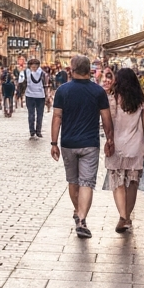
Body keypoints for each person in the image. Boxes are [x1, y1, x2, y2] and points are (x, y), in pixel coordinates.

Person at [50, 55, 115, 239]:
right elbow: (106, 119)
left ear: (71, 69)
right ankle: (82, 219)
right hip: (90, 144)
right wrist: (110, 140)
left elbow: (57, 117)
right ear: (90, 71)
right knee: (86, 183)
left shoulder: (63, 90)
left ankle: (78, 212)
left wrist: (54, 143)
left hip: (68, 143)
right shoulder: (98, 92)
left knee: (73, 181)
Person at [105, 67, 144, 233]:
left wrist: (108, 139)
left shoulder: (112, 98)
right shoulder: (140, 100)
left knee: (117, 181)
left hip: (117, 145)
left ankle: (123, 217)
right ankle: (126, 217)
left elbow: (107, 122)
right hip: (136, 145)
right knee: (132, 182)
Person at [23, 58, 49, 139]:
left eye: (35, 67)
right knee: (32, 114)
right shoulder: (43, 73)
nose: (34, 68)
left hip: (37, 96)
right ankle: (33, 131)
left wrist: (47, 95)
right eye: (32, 67)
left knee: (38, 114)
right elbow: (46, 85)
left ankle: (37, 131)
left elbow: (45, 85)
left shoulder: (27, 73)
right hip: (33, 96)